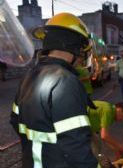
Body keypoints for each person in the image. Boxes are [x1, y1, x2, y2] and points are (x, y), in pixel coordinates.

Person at [10, 13, 98, 168]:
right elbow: (75, 144)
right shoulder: (66, 81)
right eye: (81, 50)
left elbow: (15, 120)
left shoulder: (29, 76)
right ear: (73, 46)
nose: (81, 57)